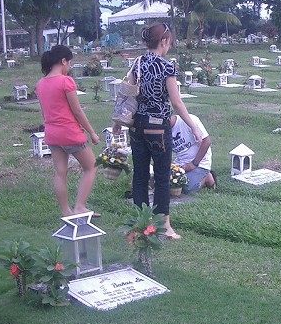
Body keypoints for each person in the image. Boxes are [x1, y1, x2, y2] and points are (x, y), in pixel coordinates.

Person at [113, 22, 202, 240]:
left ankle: (140, 223)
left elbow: (127, 95)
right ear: (164, 41)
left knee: (140, 174)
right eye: (169, 42)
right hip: (158, 128)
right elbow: (177, 102)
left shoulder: (137, 63)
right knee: (162, 177)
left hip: (137, 125)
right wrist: (193, 127)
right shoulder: (167, 67)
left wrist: (118, 122)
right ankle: (165, 226)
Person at [35, 45, 100, 217]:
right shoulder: (66, 81)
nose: (69, 66)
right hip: (70, 133)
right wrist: (92, 132)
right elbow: (77, 110)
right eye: (69, 63)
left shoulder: (40, 83)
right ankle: (80, 206)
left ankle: (66, 211)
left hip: (52, 133)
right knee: (91, 167)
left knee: (60, 172)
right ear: (63, 61)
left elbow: (44, 112)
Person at [170, 113, 216, 193]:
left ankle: (207, 177)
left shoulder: (189, 120)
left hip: (200, 162)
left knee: (186, 188)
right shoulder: (162, 130)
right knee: (169, 184)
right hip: (180, 162)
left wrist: (193, 164)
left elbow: (206, 142)